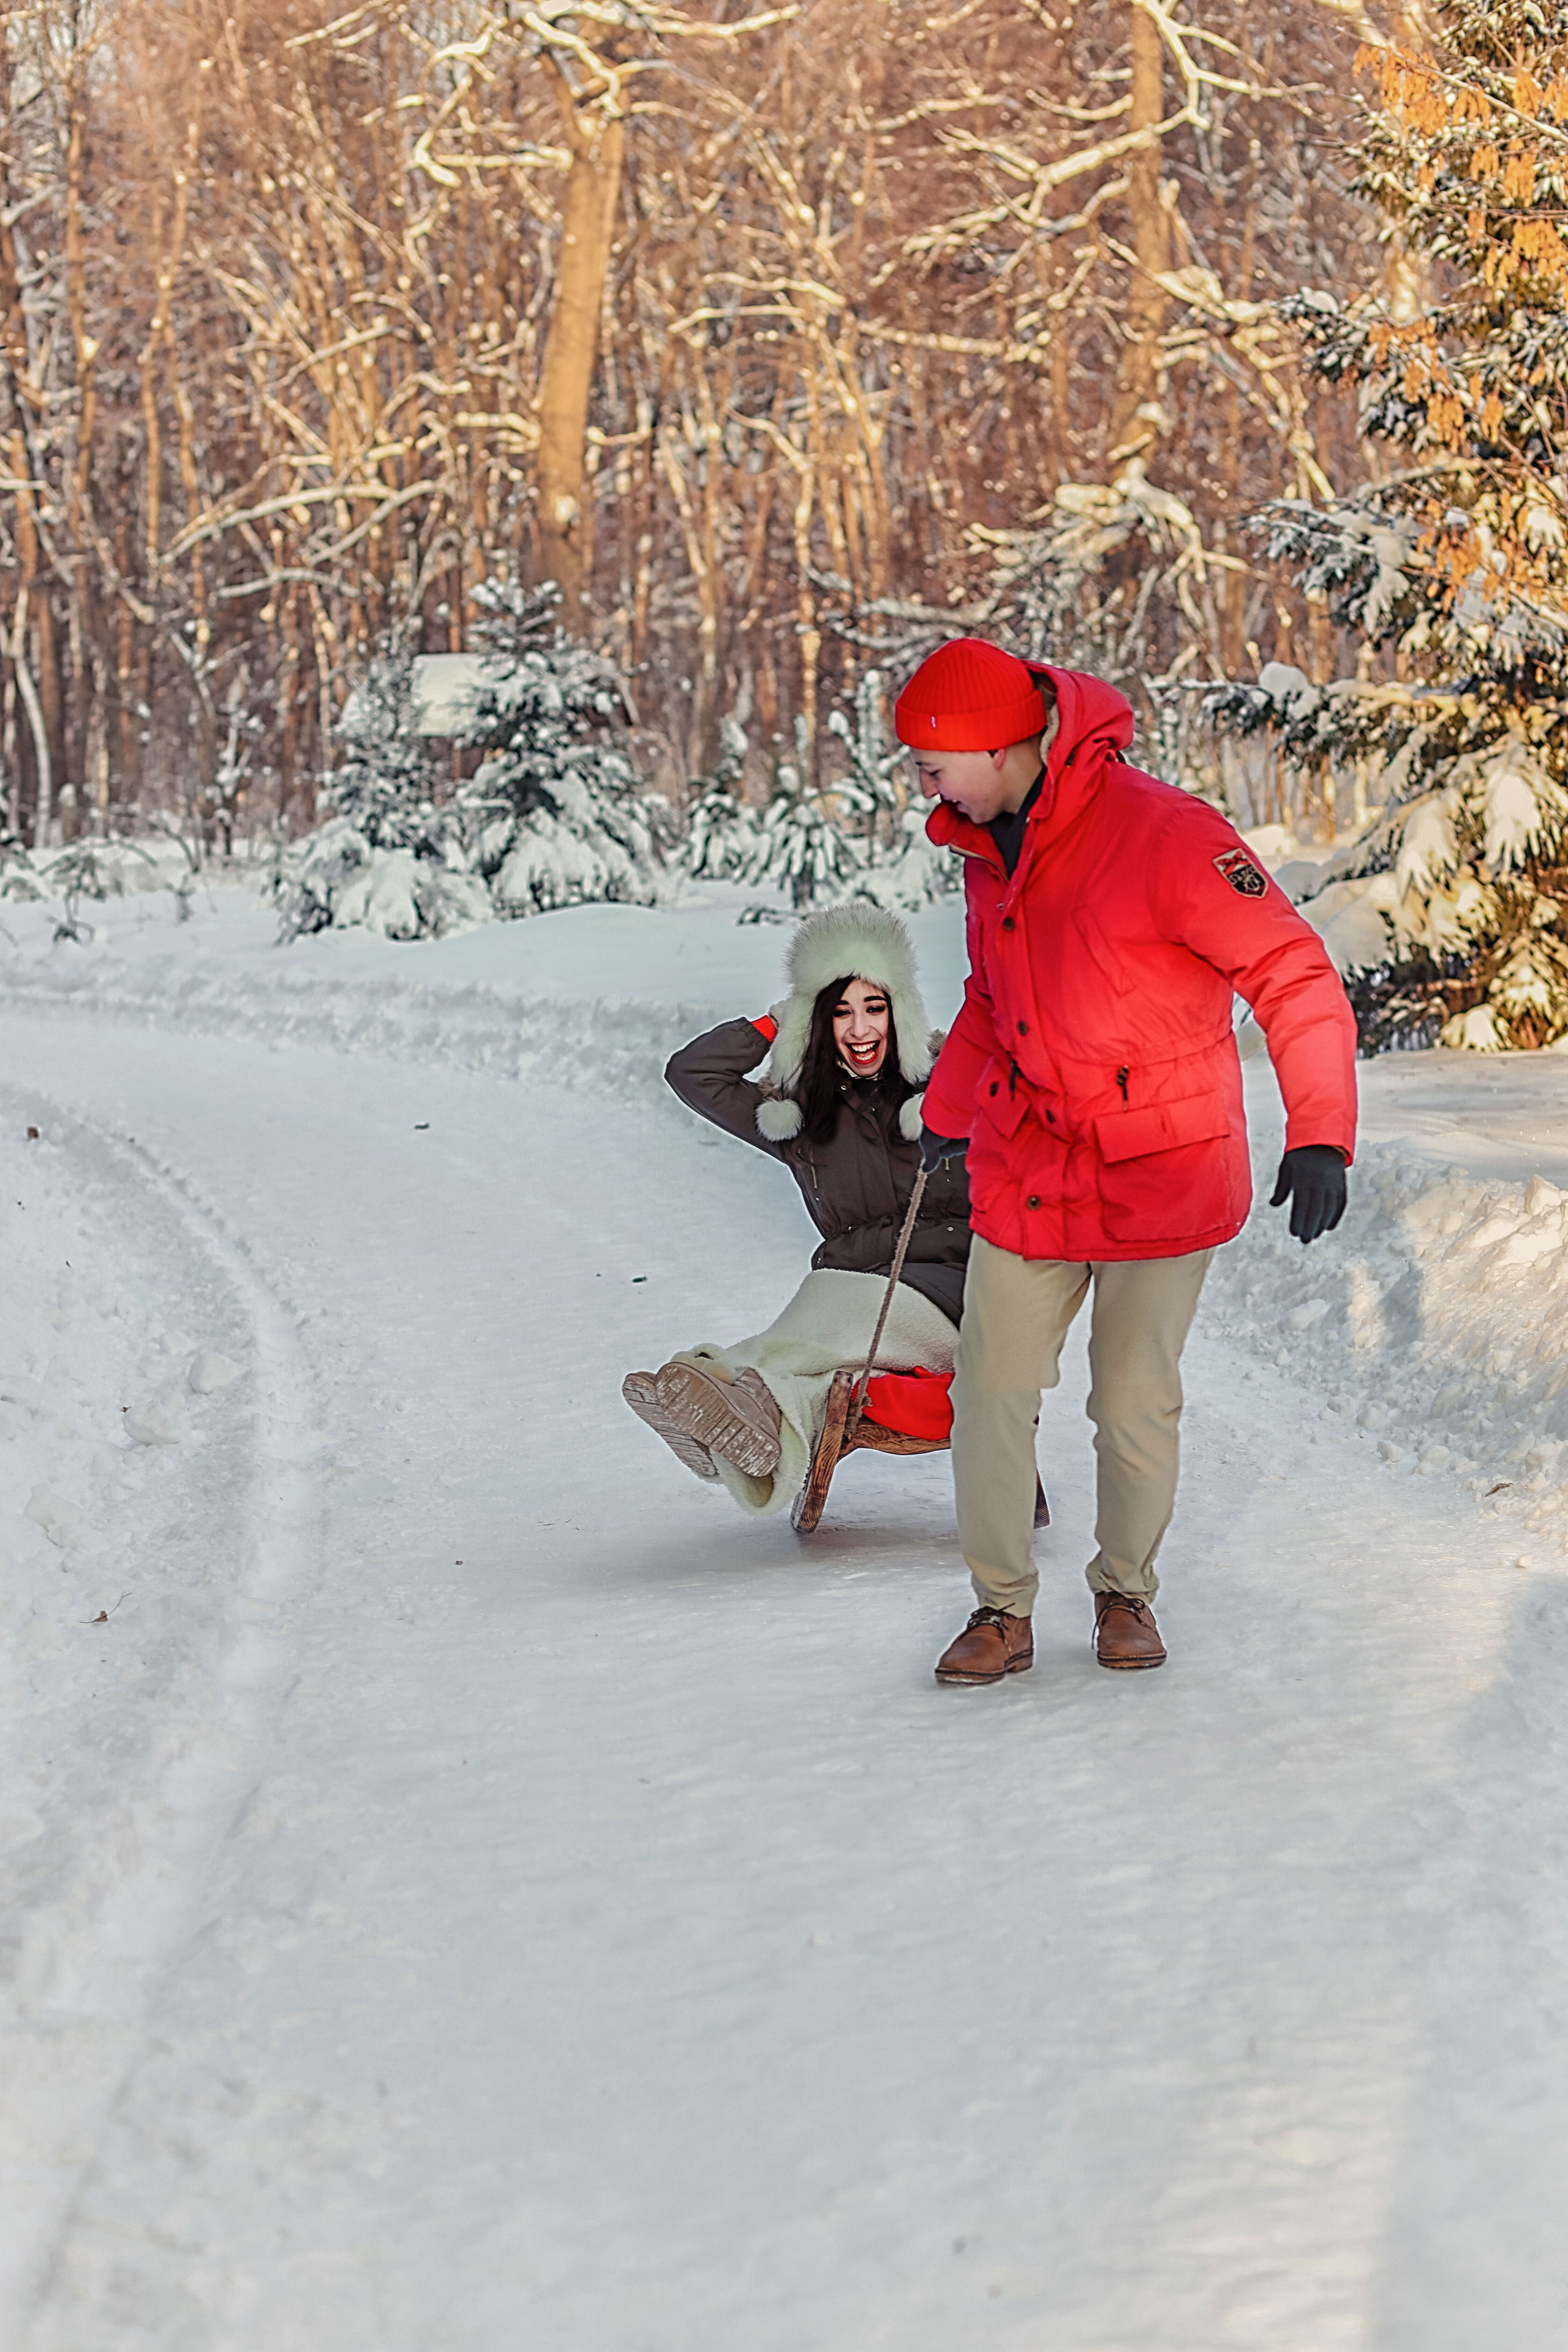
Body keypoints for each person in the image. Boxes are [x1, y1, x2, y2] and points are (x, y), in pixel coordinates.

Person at [893, 636, 1358, 1687]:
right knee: (992, 1388)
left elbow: (1291, 971)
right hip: (1033, 1162)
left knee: (1132, 1397)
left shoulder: (1162, 834)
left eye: (932, 760)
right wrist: (952, 1109)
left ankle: (1125, 1592)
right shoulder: (982, 848)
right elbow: (990, 996)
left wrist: (1321, 1129)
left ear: (1001, 746)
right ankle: (1000, 1609)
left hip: (1163, 1168)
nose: (919, 781)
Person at [623, 903, 971, 1515]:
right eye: (837, 1011)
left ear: (901, 1010)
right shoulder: (804, 1118)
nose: (859, 1029)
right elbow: (691, 1074)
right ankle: (738, 1421)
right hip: (850, 1315)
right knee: (814, 1363)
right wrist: (779, 1018)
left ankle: (723, 1378)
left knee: (826, 1300)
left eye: (874, 1007)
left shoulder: (950, 1087)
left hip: (948, 1300)